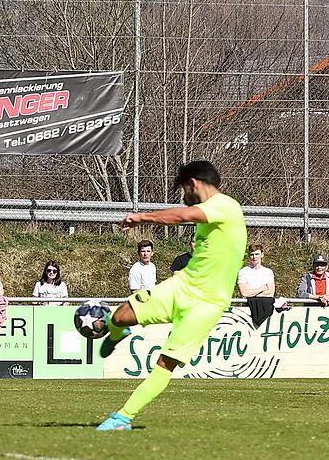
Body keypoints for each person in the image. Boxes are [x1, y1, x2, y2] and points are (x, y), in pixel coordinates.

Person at [96, 161, 246, 431]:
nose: (184, 196)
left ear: (193, 184)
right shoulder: (212, 210)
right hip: (182, 286)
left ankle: (123, 417)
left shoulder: (226, 206)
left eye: (184, 190)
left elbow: (182, 216)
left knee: (165, 363)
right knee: (120, 317)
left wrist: (141, 217)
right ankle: (119, 334)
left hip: (207, 304)